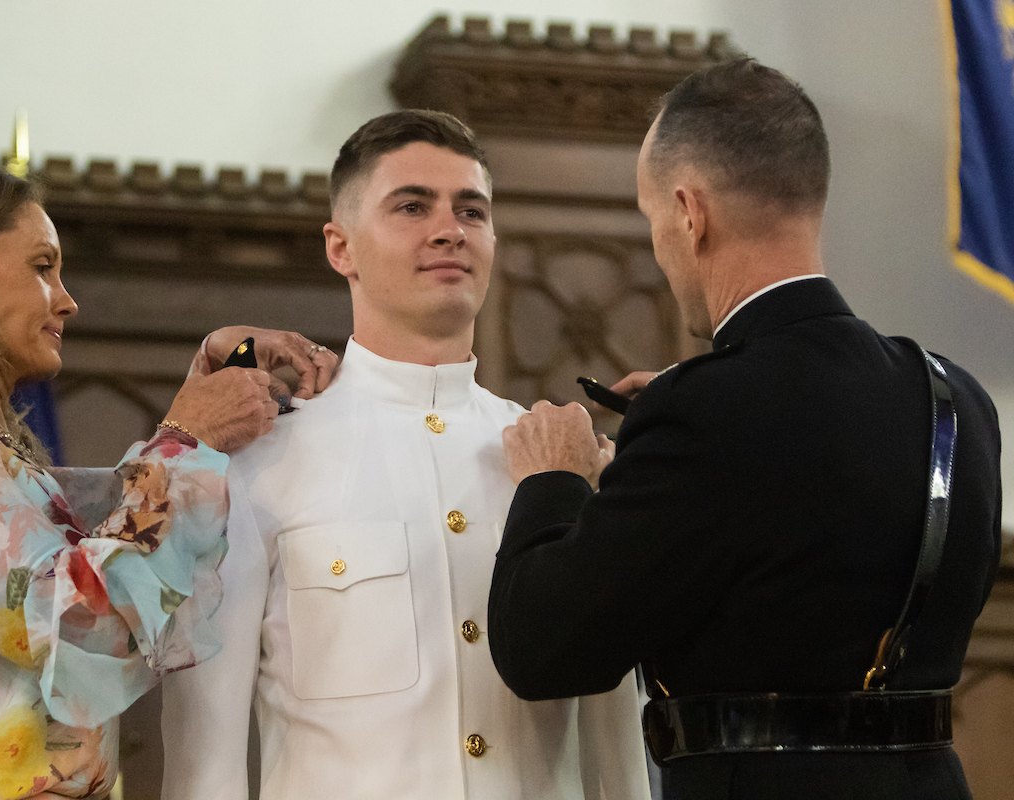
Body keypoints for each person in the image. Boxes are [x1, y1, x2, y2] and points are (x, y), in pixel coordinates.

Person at [489, 59, 1003, 800]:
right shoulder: (958, 397)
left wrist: (553, 479)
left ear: (689, 212)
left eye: (651, 218)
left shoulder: (708, 413)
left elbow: (544, 651)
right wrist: (698, 414)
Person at [160, 110, 651, 800]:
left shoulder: (555, 462)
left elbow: (612, 733)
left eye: (472, 210)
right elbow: (204, 761)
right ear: (342, 247)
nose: (449, 228)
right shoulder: (264, 461)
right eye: (412, 206)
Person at [0, 164, 335, 799]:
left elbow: (115, 525)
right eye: (41, 267)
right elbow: (83, 620)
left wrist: (218, 382)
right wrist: (189, 439)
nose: (67, 299)